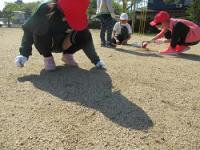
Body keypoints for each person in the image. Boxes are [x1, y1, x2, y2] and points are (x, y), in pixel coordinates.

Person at [15, 0, 106, 71]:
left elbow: (86, 38)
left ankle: (67, 55)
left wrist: (96, 60)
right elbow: (28, 29)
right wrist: (24, 53)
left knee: (84, 32)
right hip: (47, 43)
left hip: (64, 44)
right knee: (40, 28)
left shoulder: (78, 8)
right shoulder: (45, 8)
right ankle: (48, 58)